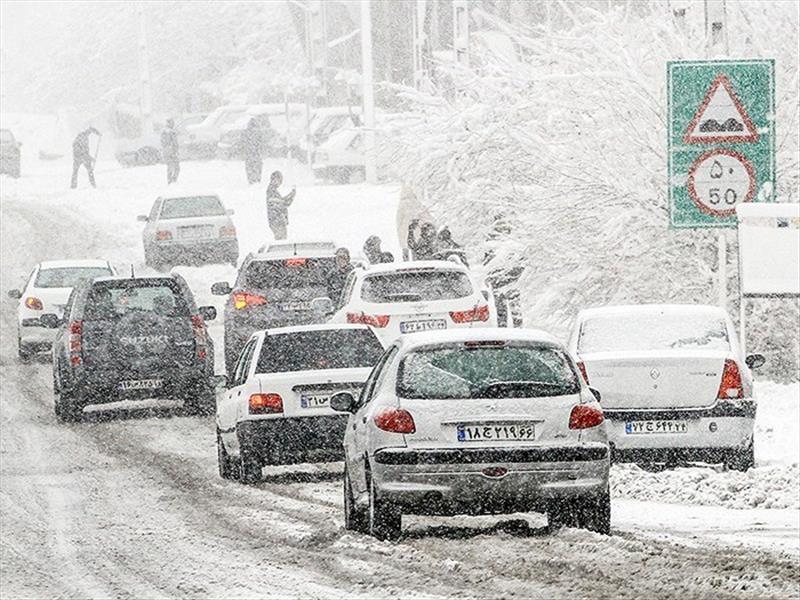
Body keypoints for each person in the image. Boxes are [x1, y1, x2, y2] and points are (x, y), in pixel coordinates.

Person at [483, 214, 524, 328]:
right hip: (511, 279)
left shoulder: (491, 241)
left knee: (501, 307)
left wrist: (489, 277)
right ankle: (517, 326)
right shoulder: (513, 242)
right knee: (514, 305)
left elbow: (487, 262)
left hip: (499, 279)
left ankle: (503, 327)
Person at [266, 170, 295, 240]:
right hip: (277, 221)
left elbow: (282, 202)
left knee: (281, 239)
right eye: (279, 180)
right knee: (281, 241)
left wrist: (291, 195)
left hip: (278, 221)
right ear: (274, 179)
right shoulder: (271, 191)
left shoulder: (273, 191)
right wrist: (291, 195)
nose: (280, 183)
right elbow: (282, 204)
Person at [242, 118, 264, 184]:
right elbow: (261, 143)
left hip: (249, 154)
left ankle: (251, 180)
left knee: (250, 167)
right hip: (257, 154)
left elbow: (243, 143)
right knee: (257, 167)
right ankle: (257, 179)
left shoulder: (245, 132)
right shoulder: (259, 132)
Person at [160, 118, 180, 184]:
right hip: (172, 151)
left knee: (169, 166)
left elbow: (162, 142)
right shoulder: (172, 132)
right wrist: (175, 151)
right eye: (172, 122)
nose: (173, 124)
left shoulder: (163, 131)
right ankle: (173, 180)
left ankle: (169, 180)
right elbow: (175, 143)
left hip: (165, 151)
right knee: (177, 167)